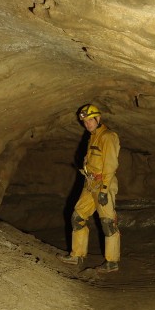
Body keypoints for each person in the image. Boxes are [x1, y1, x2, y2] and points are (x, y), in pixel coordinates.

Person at [58, 103, 121, 272]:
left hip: (103, 185)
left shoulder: (108, 136)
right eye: (85, 122)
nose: (87, 124)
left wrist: (105, 189)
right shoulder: (92, 136)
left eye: (90, 121)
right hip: (90, 184)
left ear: (98, 118)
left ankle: (112, 262)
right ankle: (77, 255)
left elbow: (110, 165)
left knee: (108, 223)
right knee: (77, 217)